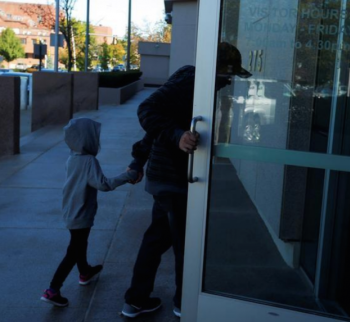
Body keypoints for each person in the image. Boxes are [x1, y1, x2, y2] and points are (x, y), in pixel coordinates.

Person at [122, 42, 252, 318]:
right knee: (186, 244)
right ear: (215, 71)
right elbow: (148, 110)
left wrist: (138, 160)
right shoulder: (192, 82)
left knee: (157, 239)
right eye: (227, 76)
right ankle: (184, 302)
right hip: (174, 180)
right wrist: (179, 135)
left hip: (167, 180)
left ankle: (135, 300)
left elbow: (158, 123)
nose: (228, 83)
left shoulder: (191, 79)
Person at [40, 118, 138, 307]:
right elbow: (104, 184)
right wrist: (128, 176)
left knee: (79, 243)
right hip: (81, 212)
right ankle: (52, 289)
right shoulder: (89, 160)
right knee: (73, 250)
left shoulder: (72, 157)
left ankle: (84, 272)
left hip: (71, 210)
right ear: (88, 138)